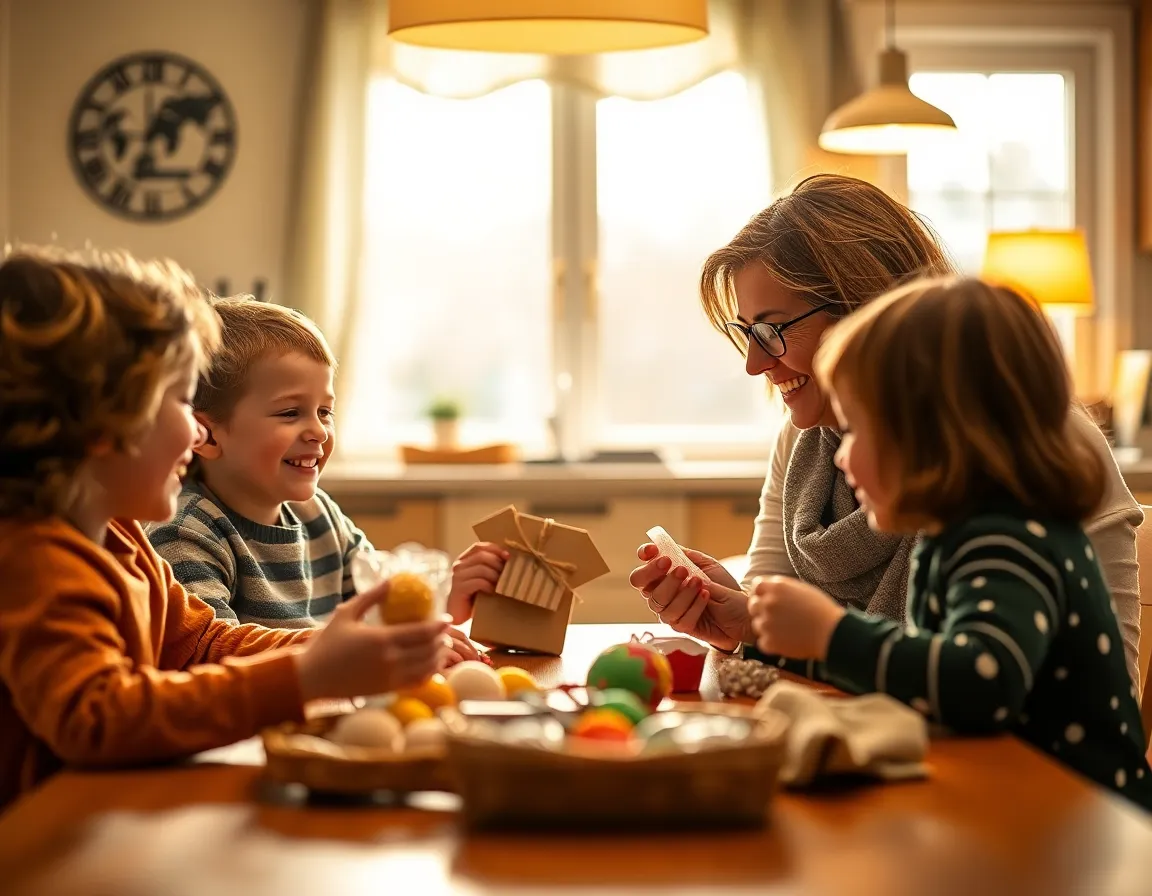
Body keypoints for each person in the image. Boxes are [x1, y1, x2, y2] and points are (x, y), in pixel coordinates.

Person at [629, 174, 1144, 690]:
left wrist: (830, 636)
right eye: (747, 333)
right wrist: (742, 623)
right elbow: (800, 635)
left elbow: (1091, 684)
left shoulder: (1024, 451)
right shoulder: (808, 436)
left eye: (773, 330)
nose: (754, 364)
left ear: (865, 308)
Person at [0, 248, 448, 808]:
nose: (195, 432)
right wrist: (307, 675)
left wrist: (337, 652)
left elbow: (203, 644)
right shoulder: (35, 559)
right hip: (37, 853)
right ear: (105, 425)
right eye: (183, 401)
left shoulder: (119, 538)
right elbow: (98, 717)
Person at [748, 276, 1152, 810]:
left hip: (1075, 821)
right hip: (1009, 803)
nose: (841, 457)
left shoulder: (1004, 538)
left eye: (854, 432)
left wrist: (830, 632)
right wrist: (772, 641)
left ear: (930, 434)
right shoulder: (959, 535)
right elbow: (920, 675)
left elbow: (980, 683)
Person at [146, 298, 503, 665]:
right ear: (206, 433)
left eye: (325, 412)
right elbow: (208, 658)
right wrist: (353, 649)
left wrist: (445, 600)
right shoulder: (185, 534)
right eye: (290, 412)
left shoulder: (319, 515)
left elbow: (376, 608)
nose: (318, 430)